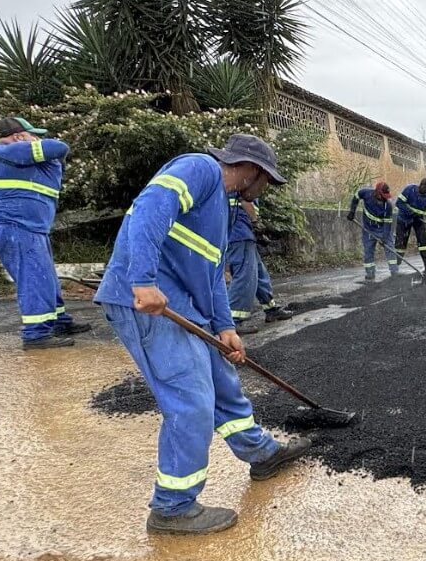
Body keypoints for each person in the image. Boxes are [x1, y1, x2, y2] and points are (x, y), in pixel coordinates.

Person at [93, 134, 312, 535]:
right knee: (190, 400)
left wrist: (226, 328)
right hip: (149, 304)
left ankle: (261, 454)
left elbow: (211, 276)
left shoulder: (223, 211)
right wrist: (141, 280)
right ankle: (172, 507)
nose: (265, 189)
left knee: (222, 384)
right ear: (252, 171)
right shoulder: (199, 168)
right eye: (267, 180)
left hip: (184, 306)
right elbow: (148, 210)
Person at [0, 116, 91, 349]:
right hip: (15, 227)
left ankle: (59, 321)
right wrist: (45, 151)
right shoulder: (6, 152)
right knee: (34, 279)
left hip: (31, 228)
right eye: (34, 135)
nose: (38, 139)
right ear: (19, 136)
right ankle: (36, 335)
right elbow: (59, 147)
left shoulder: (20, 158)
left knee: (46, 277)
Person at [225, 193, 295, 335]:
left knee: (258, 272)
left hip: (241, 233)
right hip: (240, 233)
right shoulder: (246, 176)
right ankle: (232, 321)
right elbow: (246, 200)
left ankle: (271, 309)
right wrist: (256, 223)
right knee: (245, 277)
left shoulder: (234, 176)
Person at [346, 182, 397, 281]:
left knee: (390, 250)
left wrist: (384, 237)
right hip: (368, 229)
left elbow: (387, 224)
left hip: (382, 230)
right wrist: (352, 211)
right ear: (377, 192)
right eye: (383, 196)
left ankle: (395, 273)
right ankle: (370, 274)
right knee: (368, 252)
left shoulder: (388, 206)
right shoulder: (366, 193)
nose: (384, 198)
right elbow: (356, 197)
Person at [395, 177, 426, 273]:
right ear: (420, 186)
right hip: (404, 219)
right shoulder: (409, 189)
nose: (425, 193)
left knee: (423, 242)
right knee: (400, 243)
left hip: (418, 219)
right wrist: (410, 212)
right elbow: (399, 203)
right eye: (424, 191)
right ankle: (396, 263)